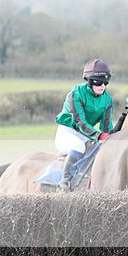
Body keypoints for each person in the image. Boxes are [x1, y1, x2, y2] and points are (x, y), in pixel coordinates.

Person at [54, 58, 114, 190]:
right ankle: (64, 183)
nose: (102, 86)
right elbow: (79, 121)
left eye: (105, 82)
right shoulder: (76, 94)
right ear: (89, 81)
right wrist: (98, 136)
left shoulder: (107, 99)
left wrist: (110, 137)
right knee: (79, 146)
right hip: (68, 131)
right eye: (99, 82)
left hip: (87, 134)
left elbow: (107, 125)